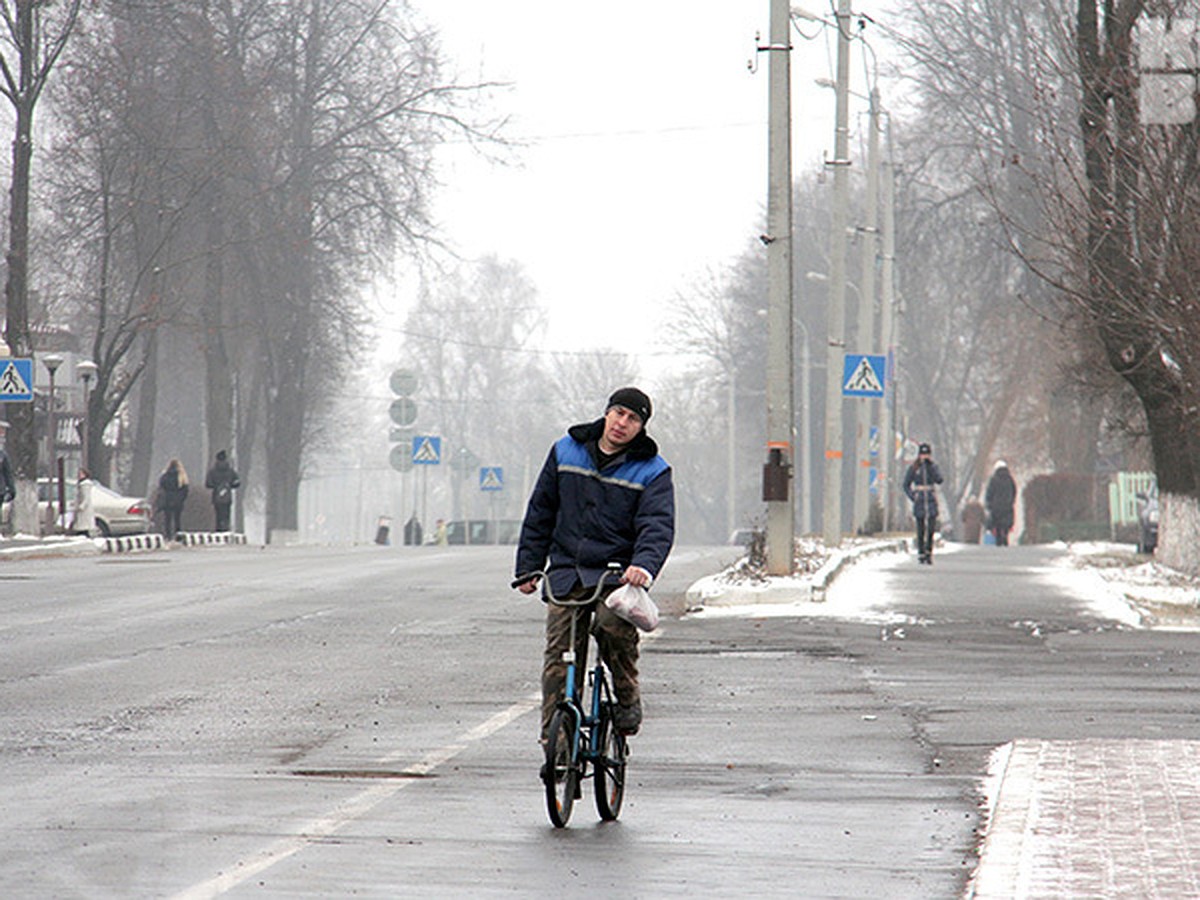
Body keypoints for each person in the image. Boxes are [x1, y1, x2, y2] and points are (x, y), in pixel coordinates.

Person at [514, 387, 675, 742]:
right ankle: (555, 744)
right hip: (566, 572)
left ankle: (626, 695)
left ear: (641, 427)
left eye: (633, 418)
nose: (622, 423)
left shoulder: (652, 470)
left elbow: (657, 526)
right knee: (560, 654)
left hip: (615, 576)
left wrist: (643, 567)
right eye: (618, 413)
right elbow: (541, 512)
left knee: (611, 627)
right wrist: (528, 567)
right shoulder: (565, 451)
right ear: (606, 413)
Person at [903, 442, 943, 565]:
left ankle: (928, 551)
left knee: (931, 527)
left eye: (927, 454)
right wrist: (913, 496)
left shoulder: (933, 467)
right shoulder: (914, 468)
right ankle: (921, 551)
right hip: (920, 499)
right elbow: (906, 484)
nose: (924, 457)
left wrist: (931, 467)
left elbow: (939, 480)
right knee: (920, 528)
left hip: (930, 498)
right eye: (922, 454)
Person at [205, 450, 240, 532]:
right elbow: (237, 483)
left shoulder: (212, 471)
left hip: (216, 497)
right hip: (227, 497)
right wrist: (229, 485)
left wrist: (216, 486)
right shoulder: (231, 471)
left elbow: (208, 484)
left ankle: (219, 529)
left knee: (218, 515)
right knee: (226, 514)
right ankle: (226, 529)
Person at [985, 460, 1018, 546]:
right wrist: (1011, 501)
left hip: (996, 507)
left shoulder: (994, 479)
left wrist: (989, 503)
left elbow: (989, 492)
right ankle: (1005, 536)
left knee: (997, 524)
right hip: (1007, 506)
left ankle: (999, 539)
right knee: (1006, 523)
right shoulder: (1010, 479)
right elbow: (1014, 491)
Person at [157, 459, 189, 541]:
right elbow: (185, 490)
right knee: (177, 519)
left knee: (167, 519)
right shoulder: (181, 476)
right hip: (178, 500)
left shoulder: (165, 475)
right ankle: (178, 536)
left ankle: (168, 536)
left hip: (167, 499)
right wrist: (181, 498)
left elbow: (161, 487)